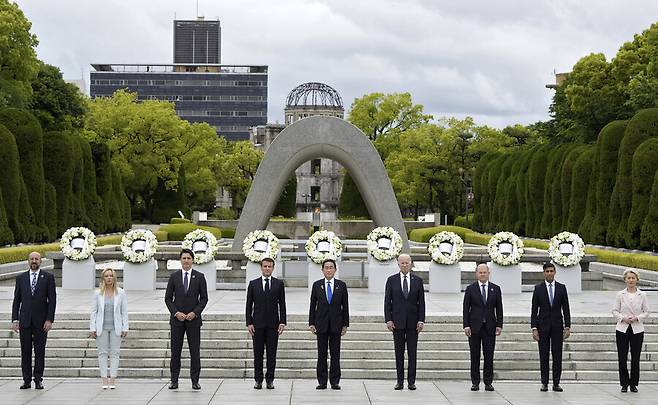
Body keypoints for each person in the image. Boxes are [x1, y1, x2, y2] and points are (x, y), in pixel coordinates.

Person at [11, 251, 56, 390]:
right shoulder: (21, 278)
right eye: (32, 259)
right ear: (28, 261)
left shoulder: (48, 277)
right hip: (24, 322)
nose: (34, 261)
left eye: (36, 259)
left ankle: (38, 379)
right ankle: (26, 380)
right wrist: (15, 319)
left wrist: (49, 319)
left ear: (41, 261)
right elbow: (16, 300)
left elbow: (52, 300)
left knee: (39, 352)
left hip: (41, 322)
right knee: (25, 352)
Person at [164, 249, 208, 390]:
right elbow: (168, 299)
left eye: (189, 258)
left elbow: (204, 299)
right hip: (177, 321)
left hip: (193, 321)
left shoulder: (200, 277)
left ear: (192, 260)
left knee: (194, 352)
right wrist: (176, 312)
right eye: (184, 258)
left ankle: (195, 380)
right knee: (175, 351)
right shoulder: (174, 276)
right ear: (180, 260)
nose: (186, 260)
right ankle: (174, 380)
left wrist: (194, 313)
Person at [384, 253, 425, 390]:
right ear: (398, 264)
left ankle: (411, 381)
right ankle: (399, 381)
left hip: (413, 324)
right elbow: (387, 302)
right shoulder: (392, 280)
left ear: (411, 263)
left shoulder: (418, 281)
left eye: (407, 262)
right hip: (397, 323)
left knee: (412, 353)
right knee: (399, 353)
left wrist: (421, 320)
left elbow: (421, 303)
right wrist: (388, 319)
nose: (405, 265)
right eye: (402, 263)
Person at [246, 257, 287, 389]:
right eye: (265, 266)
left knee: (271, 354)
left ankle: (270, 380)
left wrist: (282, 322)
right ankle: (258, 380)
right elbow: (248, 305)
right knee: (257, 354)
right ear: (261, 267)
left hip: (273, 325)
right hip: (257, 325)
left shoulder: (278, 284)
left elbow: (282, 304)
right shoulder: (253, 284)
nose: (267, 269)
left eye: (269, 267)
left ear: (273, 268)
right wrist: (249, 322)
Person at [309, 259, 349, 390]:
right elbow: (312, 305)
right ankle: (322, 381)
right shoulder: (317, 285)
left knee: (335, 354)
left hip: (336, 325)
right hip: (321, 324)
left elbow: (345, 306)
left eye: (331, 267)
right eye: (326, 268)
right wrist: (311, 322)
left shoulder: (341, 285)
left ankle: (335, 381)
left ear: (335, 270)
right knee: (322, 354)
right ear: (322, 270)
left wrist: (345, 324)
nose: (329, 270)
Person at [531, 262, 571, 392]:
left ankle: (556, 383)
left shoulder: (561, 288)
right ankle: (544, 383)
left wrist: (567, 326)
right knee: (543, 356)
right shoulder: (538, 288)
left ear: (555, 272)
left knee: (557, 356)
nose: (549, 273)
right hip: (542, 327)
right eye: (547, 271)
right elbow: (534, 310)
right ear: (544, 273)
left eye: (551, 271)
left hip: (557, 327)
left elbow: (566, 308)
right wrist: (534, 328)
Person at [463, 262, 503, 392]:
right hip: (474, 328)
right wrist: (466, 325)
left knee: (489, 356)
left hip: (490, 327)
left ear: (488, 274)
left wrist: (499, 325)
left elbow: (499, 308)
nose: (482, 274)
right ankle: (475, 382)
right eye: (480, 272)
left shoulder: (495, 288)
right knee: (474, 355)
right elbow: (466, 309)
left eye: (484, 272)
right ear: (476, 274)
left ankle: (488, 382)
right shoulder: (470, 289)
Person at [89, 268, 129, 389]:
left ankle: (112, 380)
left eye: (111, 276)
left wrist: (125, 327)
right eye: (106, 276)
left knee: (115, 353)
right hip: (101, 328)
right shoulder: (97, 293)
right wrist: (92, 327)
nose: (109, 278)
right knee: (102, 353)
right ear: (103, 278)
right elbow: (93, 312)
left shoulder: (121, 293)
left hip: (116, 327)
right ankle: (104, 380)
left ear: (115, 278)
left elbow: (124, 312)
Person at [612, 269, 650, 393]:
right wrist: (623, 318)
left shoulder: (642, 295)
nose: (631, 280)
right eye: (629, 278)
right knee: (622, 357)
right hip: (622, 328)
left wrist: (637, 318)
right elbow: (614, 311)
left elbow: (647, 312)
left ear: (637, 279)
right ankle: (624, 383)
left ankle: (633, 384)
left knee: (635, 357)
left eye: (633, 278)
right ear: (625, 280)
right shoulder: (620, 294)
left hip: (637, 329)